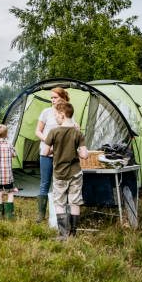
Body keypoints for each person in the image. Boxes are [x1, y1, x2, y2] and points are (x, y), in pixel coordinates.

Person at [41, 102, 89, 239]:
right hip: (75, 173)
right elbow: (85, 155)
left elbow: (45, 152)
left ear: (62, 115)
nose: (55, 118)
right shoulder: (78, 132)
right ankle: (73, 234)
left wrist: (54, 149)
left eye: (56, 115)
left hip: (60, 174)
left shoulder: (54, 132)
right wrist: (75, 151)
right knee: (75, 202)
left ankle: (62, 234)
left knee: (60, 203)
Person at [35, 87, 73, 223]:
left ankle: (61, 214)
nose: (52, 100)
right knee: (44, 182)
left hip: (62, 154)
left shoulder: (67, 112)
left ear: (63, 98)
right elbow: (38, 131)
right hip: (46, 152)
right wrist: (48, 142)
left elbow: (70, 131)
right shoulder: (46, 112)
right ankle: (41, 214)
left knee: (62, 183)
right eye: (51, 98)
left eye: (55, 97)